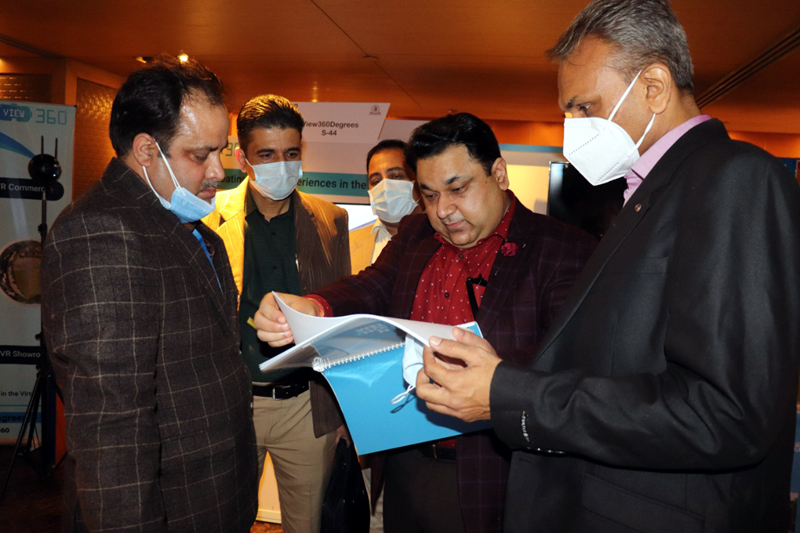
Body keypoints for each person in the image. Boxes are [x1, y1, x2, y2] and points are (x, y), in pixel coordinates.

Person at [414, 1, 800, 531]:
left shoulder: (735, 179)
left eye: (584, 108)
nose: (571, 129)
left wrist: (509, 393)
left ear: (654, 87)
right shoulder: (648, 196)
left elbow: (725, 412)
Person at [254, 112, 597, 533]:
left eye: (458, 189)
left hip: (492, 467)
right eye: (430, 195)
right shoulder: (417, 232)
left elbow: (567, 358)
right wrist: (314, 306)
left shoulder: (562, 248)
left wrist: (493, 378)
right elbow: (372, 285)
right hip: (406, 459)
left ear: (499, 173)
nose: (443, 211)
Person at [40, 55, 259, 532]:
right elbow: (112, 427)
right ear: (145, 150)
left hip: (214, 493)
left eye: (222, 151)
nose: (218, 171)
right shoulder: (101, 234)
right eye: (200, 155)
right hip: (168, 506)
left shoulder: (183, 224)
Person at [203, 94, 350, 533]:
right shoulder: (206, 218)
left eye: (291, 153)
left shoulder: (331, 220)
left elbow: (340, 313)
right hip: (232, 405)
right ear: (242, 158)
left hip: (307, 407)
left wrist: (344, 413)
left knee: (308, 525)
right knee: (223, 520)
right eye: (266, 154)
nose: (281, 165)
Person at [350, 139, 421, 274]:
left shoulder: (444, 240)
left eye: (395, 176)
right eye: (376, 181)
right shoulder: (348, 244)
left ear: (418, 180)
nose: (385, 187)